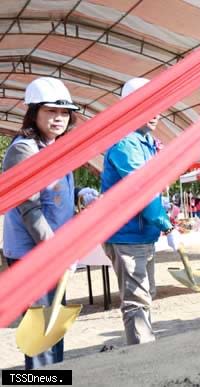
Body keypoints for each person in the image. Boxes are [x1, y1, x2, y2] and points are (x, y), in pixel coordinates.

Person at [2, 77, 98, 369]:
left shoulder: (55, 146)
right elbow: (28, 206)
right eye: (51, 111)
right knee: (43, 328)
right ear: (34, 112)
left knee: (54, 324)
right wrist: (54, 246)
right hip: (33, 251)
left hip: (55, 249)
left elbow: (53, 191)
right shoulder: (25, 149)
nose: (59, 118)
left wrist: (82, 192)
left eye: (64, 112)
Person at [101, 77, 180, 345]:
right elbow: (142, 190)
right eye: (148, 106)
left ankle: (146, 351)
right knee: (136, 300)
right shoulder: (125, 144)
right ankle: (142, 360)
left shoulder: (145, 142)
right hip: (126, 235)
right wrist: (166, 225)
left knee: (146, 294)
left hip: (142, 233)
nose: (156, 113)